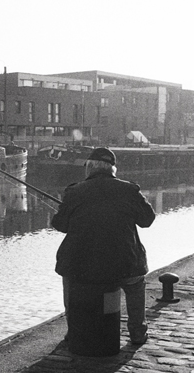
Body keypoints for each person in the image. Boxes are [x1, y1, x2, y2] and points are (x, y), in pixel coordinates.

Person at [51, 147, 156, 347]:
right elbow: (147, 220)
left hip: (82, 263)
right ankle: (137, 332)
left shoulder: (74, 191)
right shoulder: (129, 189)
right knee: (134, 286)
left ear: (89, 168)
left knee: (70, 284)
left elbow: (60, 225)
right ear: (112, 169)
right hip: (124, 262)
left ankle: (73, 332)